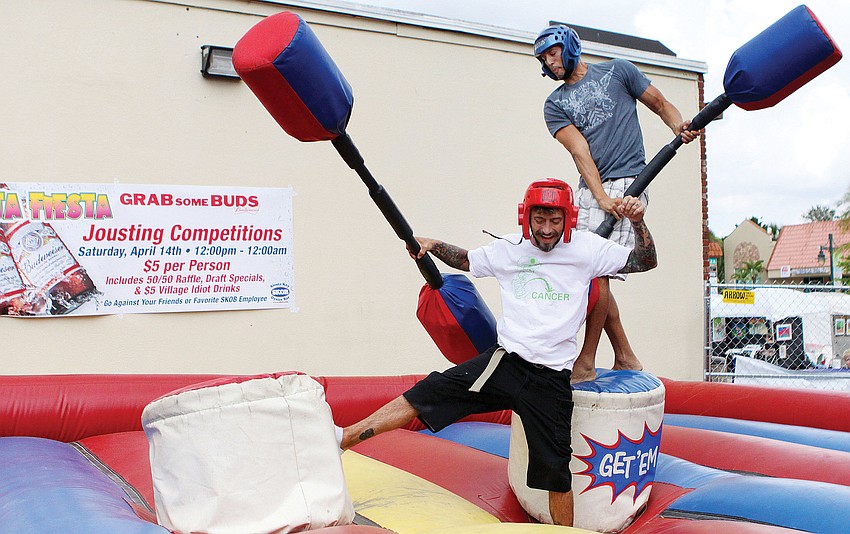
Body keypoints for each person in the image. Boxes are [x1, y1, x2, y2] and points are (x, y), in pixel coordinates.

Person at [341, 179, 658, 526]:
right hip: (505, 363)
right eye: (540, 220)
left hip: (550, 381)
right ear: (526, 217)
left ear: (569, 218)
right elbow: (465, 259)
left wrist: (638, 221)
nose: (547, 230)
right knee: (426, 394)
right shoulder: (511, 248)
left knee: (557, 475)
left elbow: (645, 261)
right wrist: (430, 244)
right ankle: (345, 437)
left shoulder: (587, 249)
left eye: (555, 221)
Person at [533, 24, 700, 383]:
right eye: (544, 58)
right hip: (593, 189)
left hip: (630, 182)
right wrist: (599, 197)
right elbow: (580, 153)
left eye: (553, 52)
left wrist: (677, 127)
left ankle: (588, 360)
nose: (550, 62)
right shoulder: (555, 104)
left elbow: (660, 104)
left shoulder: (618, 70)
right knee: (588, 270)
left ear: (570, 46)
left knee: (598, 271)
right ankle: (624, 355)